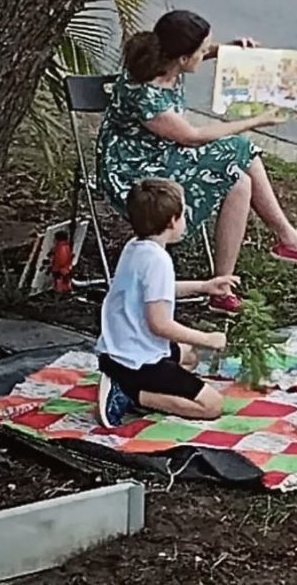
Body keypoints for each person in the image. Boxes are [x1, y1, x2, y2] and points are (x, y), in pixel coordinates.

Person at [96, 10, 297, 316]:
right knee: (239, 146)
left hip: (161, 151)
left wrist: (232, 51)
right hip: (134, 168)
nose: (207, 52)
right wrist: (255, 120)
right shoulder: (146, 92)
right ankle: (288, 239)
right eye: (202, 50)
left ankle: (222, 286)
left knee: (240, 181)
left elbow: (203, 53)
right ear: (182, 58)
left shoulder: (164, 58)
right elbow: (192, 136)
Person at [96, 178, 237, 426]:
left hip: (116, 352)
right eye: (184, 213)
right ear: (172, 221)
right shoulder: (158, 261)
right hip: (136, 362)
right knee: (212, 406)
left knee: (190, 357)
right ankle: (131, 394)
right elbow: (159, 324)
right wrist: (207, 338)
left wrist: (204, 286)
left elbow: (155, 292)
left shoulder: (136, 247)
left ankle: (125, 381)